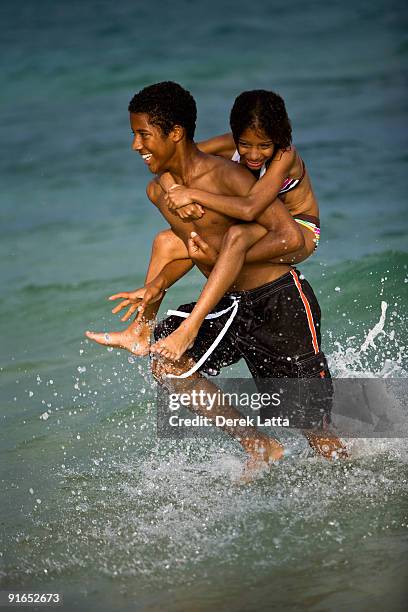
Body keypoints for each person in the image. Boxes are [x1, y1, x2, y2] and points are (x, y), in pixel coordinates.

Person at [86, 81, 347, 465]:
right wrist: (155, 285)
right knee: (166, 363)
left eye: (143, 135)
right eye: (134, 135)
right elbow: (190, 244)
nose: (136, 145)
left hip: (281, 299)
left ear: (173, 133)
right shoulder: (165, 189)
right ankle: (257, 444)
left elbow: (284, 233)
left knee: (316, 432)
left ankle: (352, 489)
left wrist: (197, 201)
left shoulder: (245, 173)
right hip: (232, 302)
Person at [87, 90, 319, 360]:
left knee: (236, 238)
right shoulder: (228, 145)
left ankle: (191, 326)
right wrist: (173, 189)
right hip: (261, 223)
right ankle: (140, 329)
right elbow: (176, 159)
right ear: (235, 135)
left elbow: (251, 206)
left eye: (264, 146)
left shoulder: (284, 155)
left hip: (297, 228)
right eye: (245, 144)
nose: (253, 154)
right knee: (166, 242)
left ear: (279, 139)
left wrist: (193, 195)